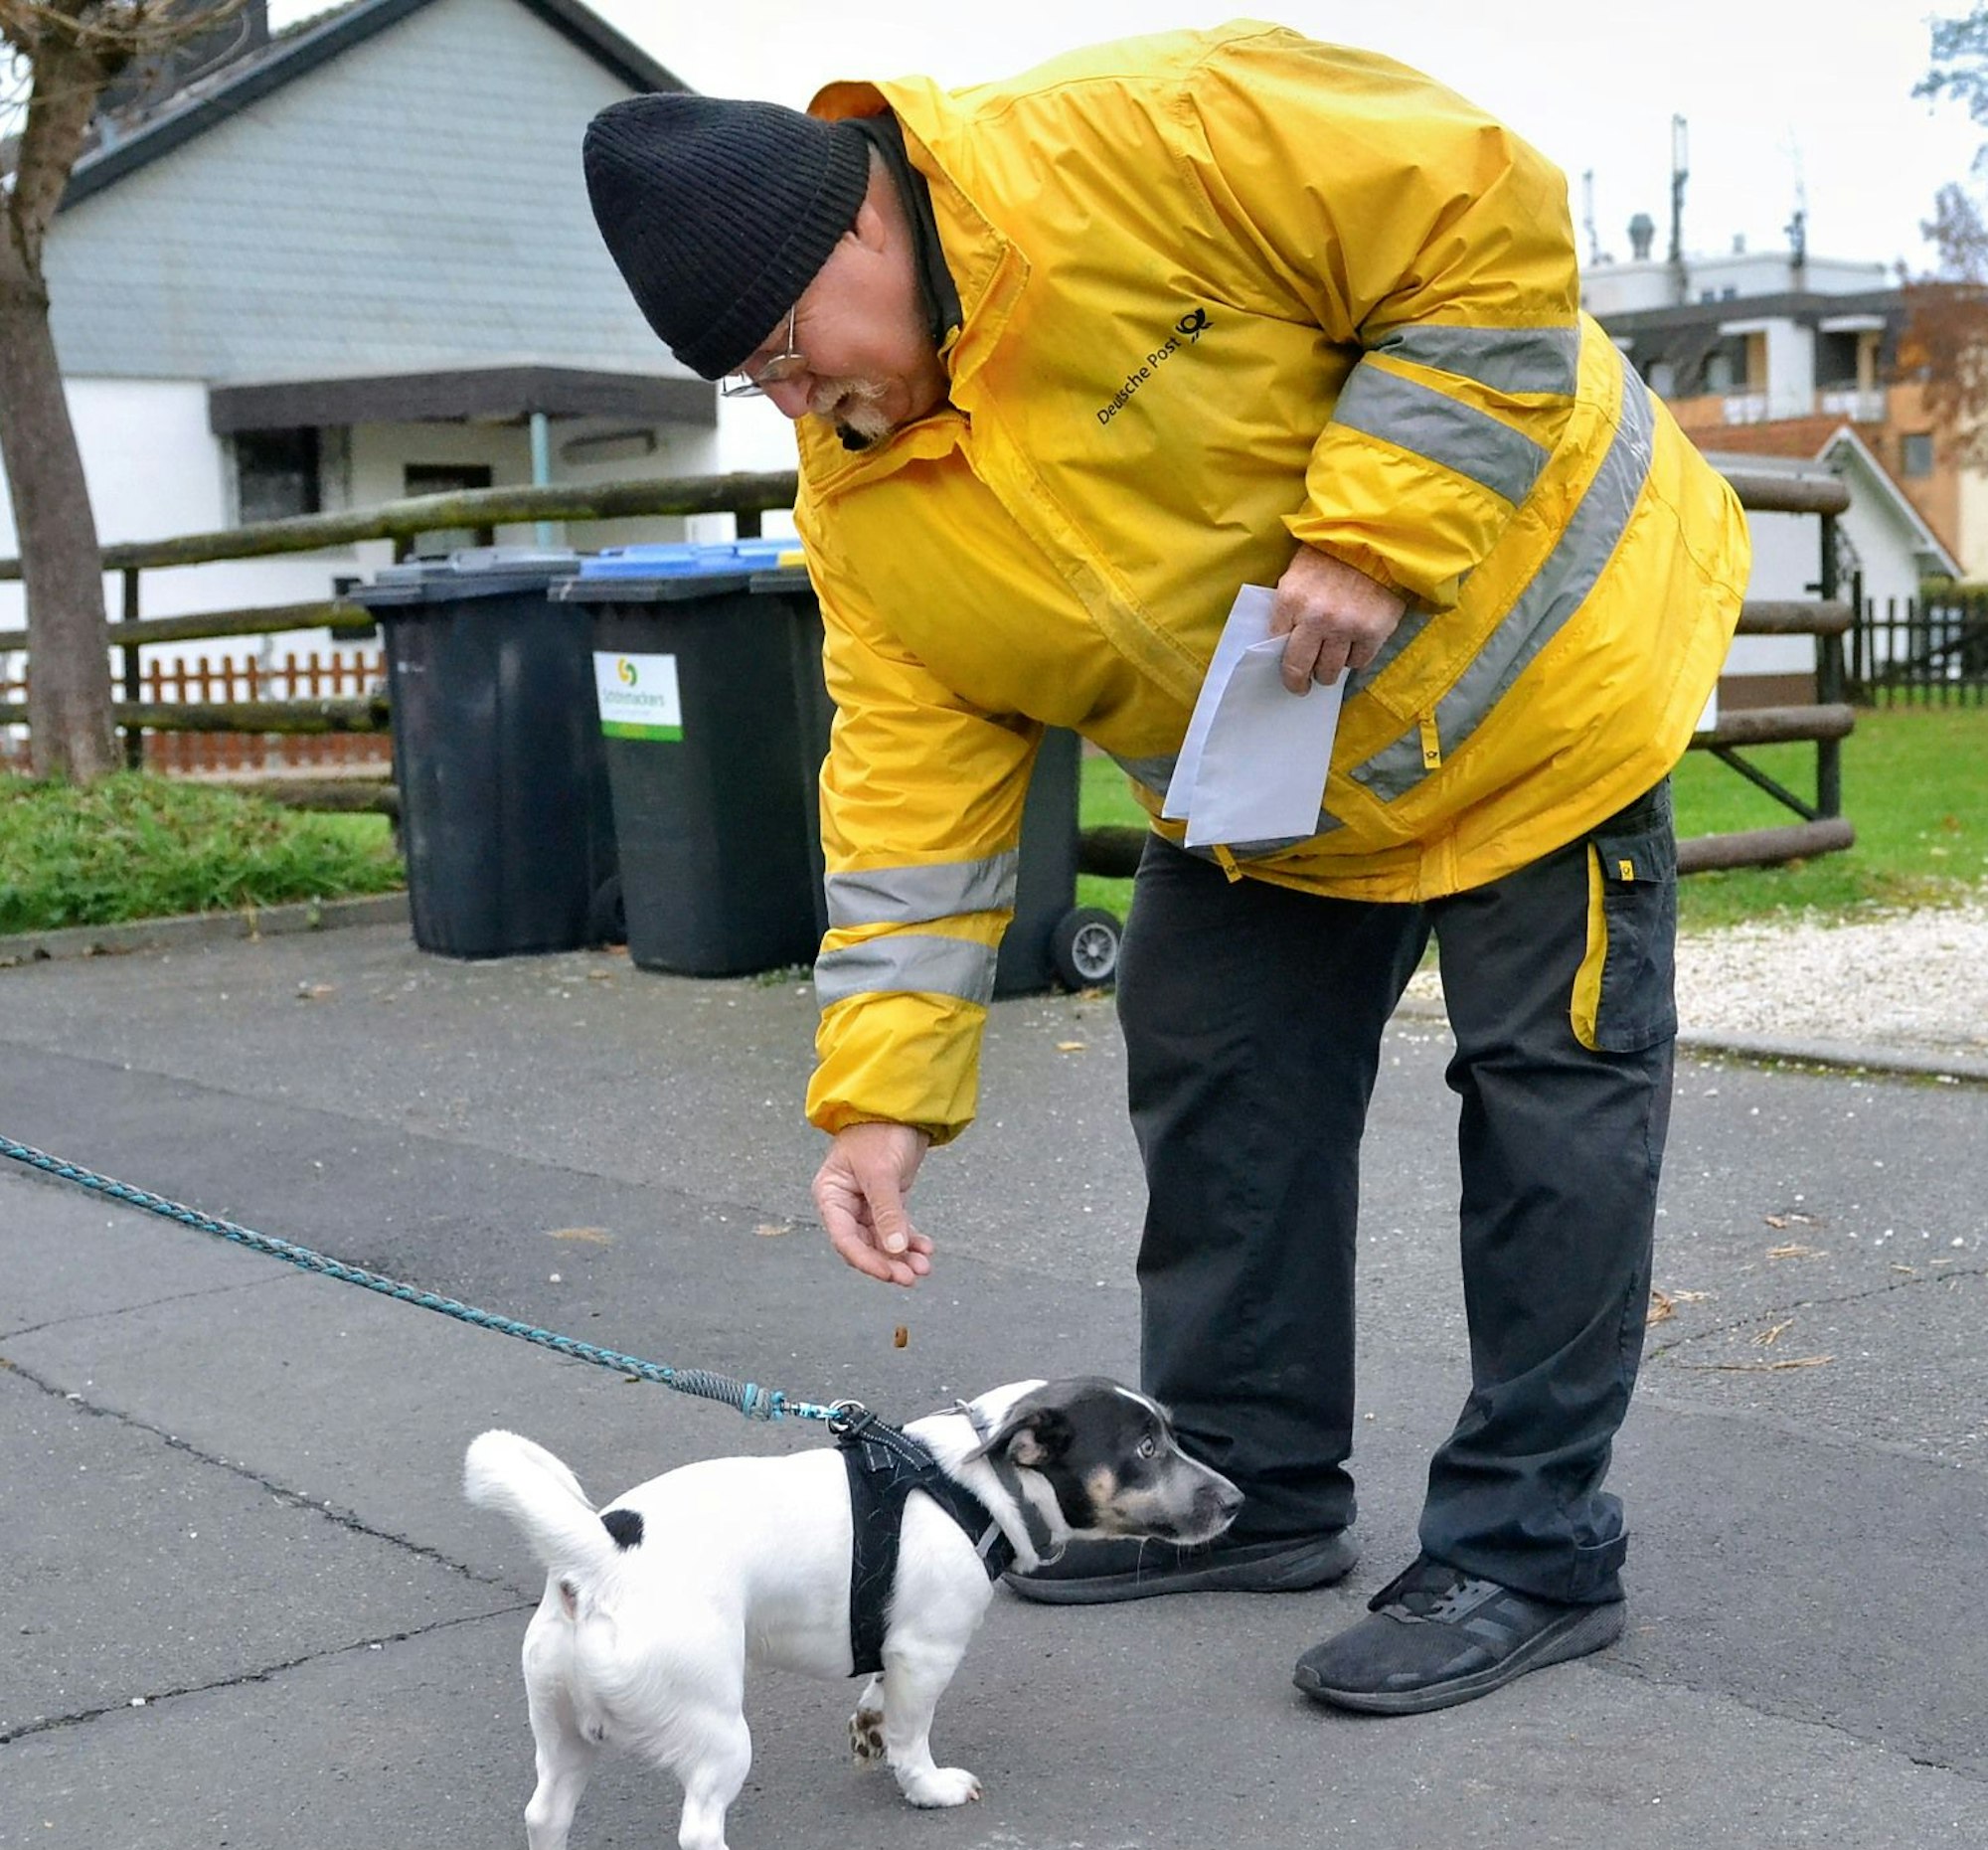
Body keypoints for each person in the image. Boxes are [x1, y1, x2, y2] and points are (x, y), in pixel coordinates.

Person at [580, 21, 1749, 1716]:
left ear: (857, 231)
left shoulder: (1153, 133)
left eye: (784, 352)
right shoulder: (862, 493)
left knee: (1552, 1115)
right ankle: (1248, 1491)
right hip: (1270, 783)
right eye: (754, 384)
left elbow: (1484, 223)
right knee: (1215, 1087)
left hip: (1539, 692)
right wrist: (879, 1098)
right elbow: (916, 793)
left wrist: (1373, 528)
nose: (793, 402)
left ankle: (1528, 1550)